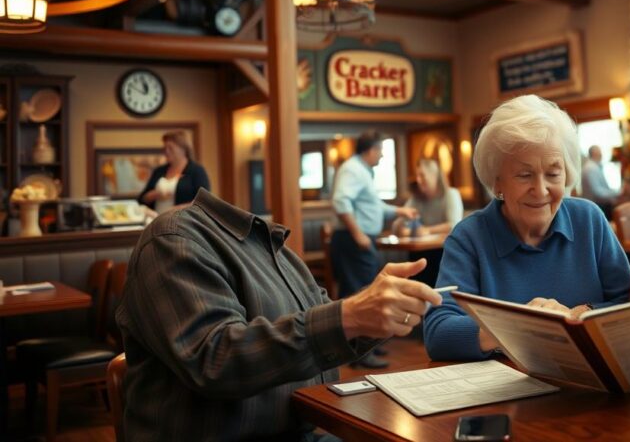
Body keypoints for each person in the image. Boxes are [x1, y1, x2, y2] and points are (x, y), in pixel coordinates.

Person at [116, 188, 443, 441]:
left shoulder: (275, 249)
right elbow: (216, 359)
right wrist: (351, 315)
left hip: (307, 429)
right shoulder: (176, 238)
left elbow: (326, 322)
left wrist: (374, 312)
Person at [424, 94, 630, 361]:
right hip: (504, 393)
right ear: (497, 181)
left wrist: (577, 314)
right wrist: (522, 325)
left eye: (553, 173)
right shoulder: (470, 237)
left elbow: (629, 303)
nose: (541, 189)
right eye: (524, 175)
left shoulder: (588, 220)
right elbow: (438, 333)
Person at [331, 131, 417, 368]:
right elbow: (340, 201)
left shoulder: (362, 171)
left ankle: (362, 350)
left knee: (365, 290)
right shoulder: (353, 170)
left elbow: (373, 206)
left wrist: (400, 211)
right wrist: (358, 234)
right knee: (360, 294)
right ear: (371, 150)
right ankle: (356, 355)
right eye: (380, 151)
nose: (381, 156)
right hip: (353, 240)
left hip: (358, 239)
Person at [138, 130, 210, 214]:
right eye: (164, 148)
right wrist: (156, 194)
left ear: (183, 149)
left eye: (170, 148)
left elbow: (204, 202)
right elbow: (142, 199)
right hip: (157, 220)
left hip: (183, 223)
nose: (166, 152)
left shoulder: (196, 171)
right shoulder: (159, 171)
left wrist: (178, 208)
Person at [392, 157, 463, 236]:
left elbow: (454, 225)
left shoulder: (451, 194)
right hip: (422, 247)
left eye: (422, 175)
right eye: (417, 176)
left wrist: (427, 230)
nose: (418, 180)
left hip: (444, 246)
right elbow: (399, 223)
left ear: (434, 175)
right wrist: (402, 228)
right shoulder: (416, 199)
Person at [581, 145, 620, 218]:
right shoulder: (591, 169)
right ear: (594, 154)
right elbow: (598, 193)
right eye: (599, 153)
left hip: (596, 206)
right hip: (597, 207)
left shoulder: (593, 167)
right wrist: (617, 192)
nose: (601, 155)